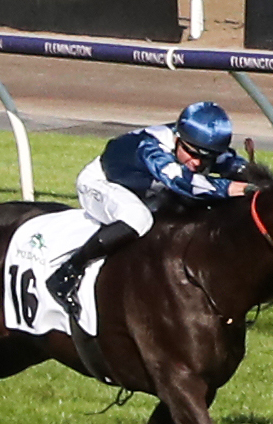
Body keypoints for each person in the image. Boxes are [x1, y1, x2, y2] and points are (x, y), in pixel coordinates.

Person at [51, 100, 260, 299]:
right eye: (191, 153)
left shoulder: (197, 143)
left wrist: (259, 181)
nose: (197, 163)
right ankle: (69, 271)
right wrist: (232, 188)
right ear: (178, 138)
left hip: (145, 191)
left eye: (206, 158)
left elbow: (236, 166)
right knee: (137, 218)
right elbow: (182, 182)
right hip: (102, 182)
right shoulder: (151, 146)